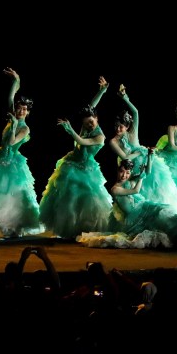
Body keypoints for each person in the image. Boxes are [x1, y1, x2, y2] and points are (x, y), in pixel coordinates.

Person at [38, 76, 113, 240]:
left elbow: (81, 141)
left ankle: (85, 229)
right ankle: (68, 231)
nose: (89, 125)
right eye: (86, 123)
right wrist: (101, 91)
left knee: (89, 200)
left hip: (86, 168)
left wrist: (70, 129)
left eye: (91, 122)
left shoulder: (100, 136)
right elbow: (91, 106)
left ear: (97, 120)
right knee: (68, 199)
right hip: (72, 164)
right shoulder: (86, 122)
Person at [0, 68, 44, 238]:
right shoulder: (12, 115)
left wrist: (14, 124)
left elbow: (12, 142)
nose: (20, 110)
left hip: (13, 161)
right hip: (0, 157)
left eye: (24, 109)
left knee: (11, 195)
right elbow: (10, 97)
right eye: (19, 108)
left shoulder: (25, 127)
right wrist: (16, 79)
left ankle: (15, 227)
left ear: (28, 112)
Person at [108, 84, 177, 213]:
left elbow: (135, 112)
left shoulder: (132, 132)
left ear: (127, 126)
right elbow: (124, 157)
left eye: (121, 127)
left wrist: (125, 98)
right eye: (116, 126)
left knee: (160, 190)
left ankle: (169, 213)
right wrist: (139, 151)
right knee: (141, 195)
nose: (118, 129)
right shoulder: (113, 141)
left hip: (149, 163)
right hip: (134, 168)